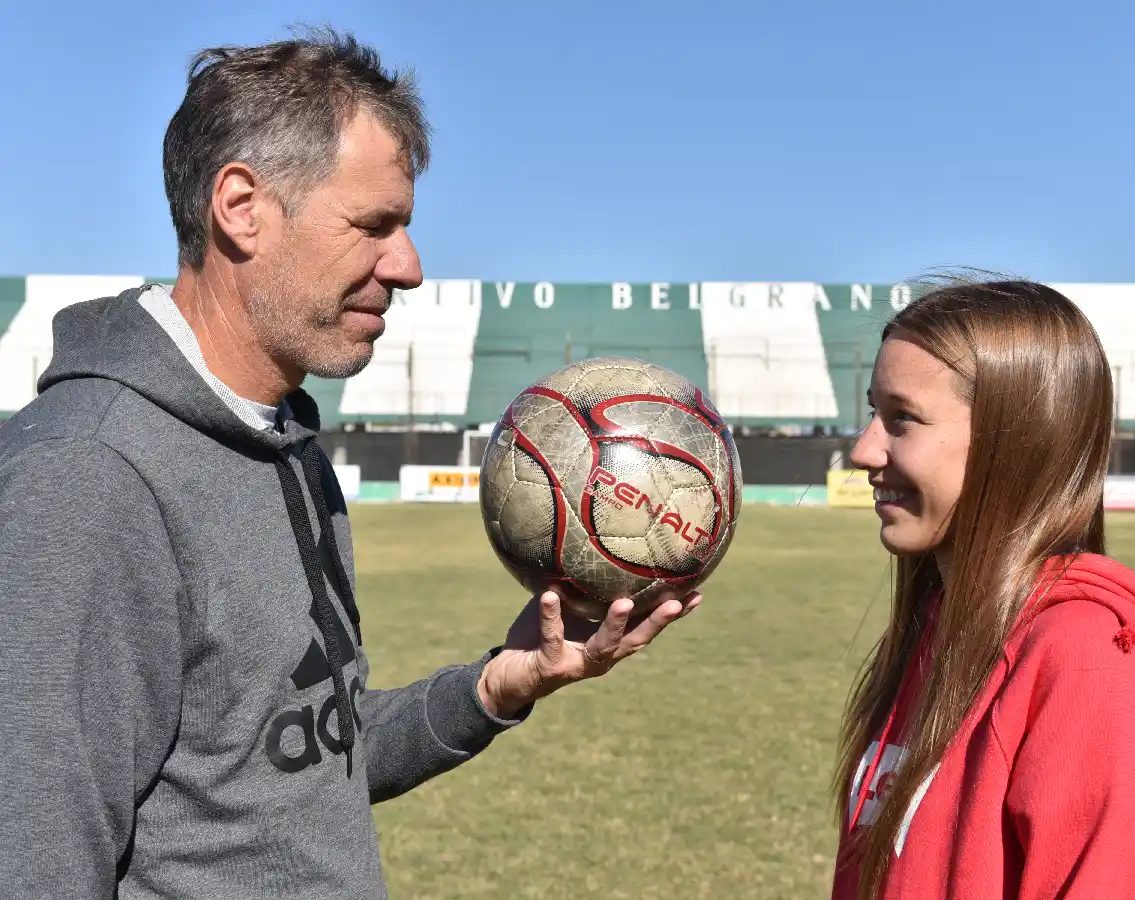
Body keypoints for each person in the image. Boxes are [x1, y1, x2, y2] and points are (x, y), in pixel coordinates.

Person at [0, 29, 700, 899]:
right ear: (241, 206)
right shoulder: (87, 478)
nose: (406, 265)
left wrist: (498, 682)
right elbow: (35, 859)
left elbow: (298, 763)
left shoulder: (286, 438)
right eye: (375, 224)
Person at [830, 277, 1135, 899]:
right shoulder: (943, 625)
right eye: (873, 412)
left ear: (1016, 437)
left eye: (903, 420)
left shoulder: (1095, 662)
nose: (865, 450)